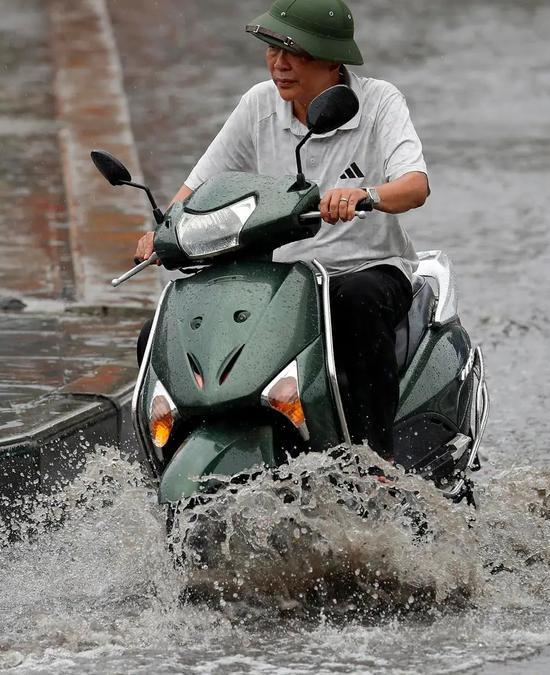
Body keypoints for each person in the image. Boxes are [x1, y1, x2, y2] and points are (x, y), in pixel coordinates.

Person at [133, 0, 430, 459]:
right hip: (281, 279)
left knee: (356, 303)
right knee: (162, 330)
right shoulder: (258, 104)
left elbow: (414, 186)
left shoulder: (379, 102)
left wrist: (364, 194)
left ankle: (376, 460)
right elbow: (198, 184)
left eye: (298, 53)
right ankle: (164, 455)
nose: (280, 63)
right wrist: (164, 230)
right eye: (272, 49)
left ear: (333, 60)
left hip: (366, 269)